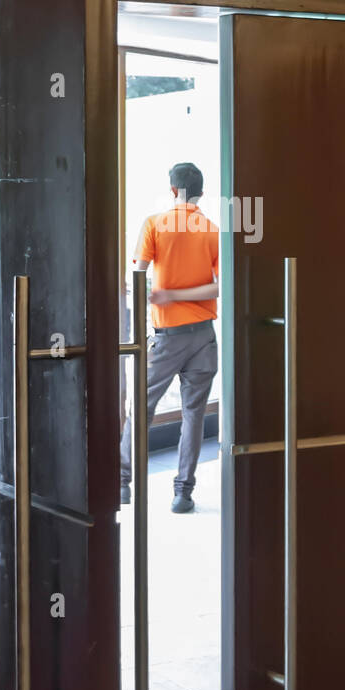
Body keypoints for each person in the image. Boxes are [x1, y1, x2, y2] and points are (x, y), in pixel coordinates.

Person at [120, 162, 219, 513]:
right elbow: (220, 286)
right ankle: (183, 493)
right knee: (194, 414)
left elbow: (137, 274)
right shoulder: (212, 230)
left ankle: (122, 482)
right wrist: (183, 295)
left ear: (172, 189)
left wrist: (164, 296)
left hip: (167, 338)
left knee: (141, 409)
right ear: (201, 193)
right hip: (204, 337)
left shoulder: (155, 224)